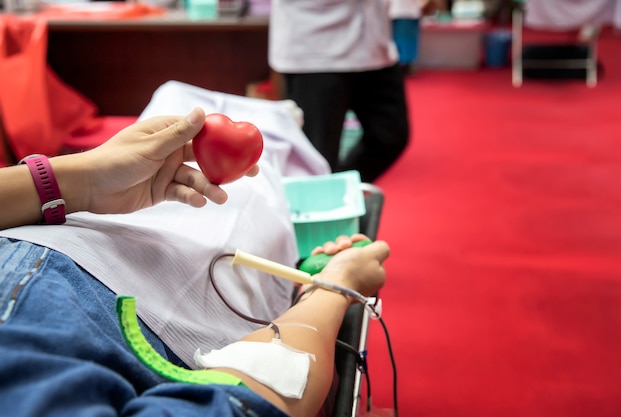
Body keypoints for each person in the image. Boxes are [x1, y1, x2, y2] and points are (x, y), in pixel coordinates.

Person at [0, 107, 389, 417]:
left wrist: (77, 180)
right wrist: (332, 287)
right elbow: (252, 393)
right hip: (144, 284)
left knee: (175, 109)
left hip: (59, 215)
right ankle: (280, 118)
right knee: (257, 182)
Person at [268, 0, 410, 183]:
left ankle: (339, 191)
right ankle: (323, 201)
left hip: (374, 44)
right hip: (316, 50)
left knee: (390, 136)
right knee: (316, 157)